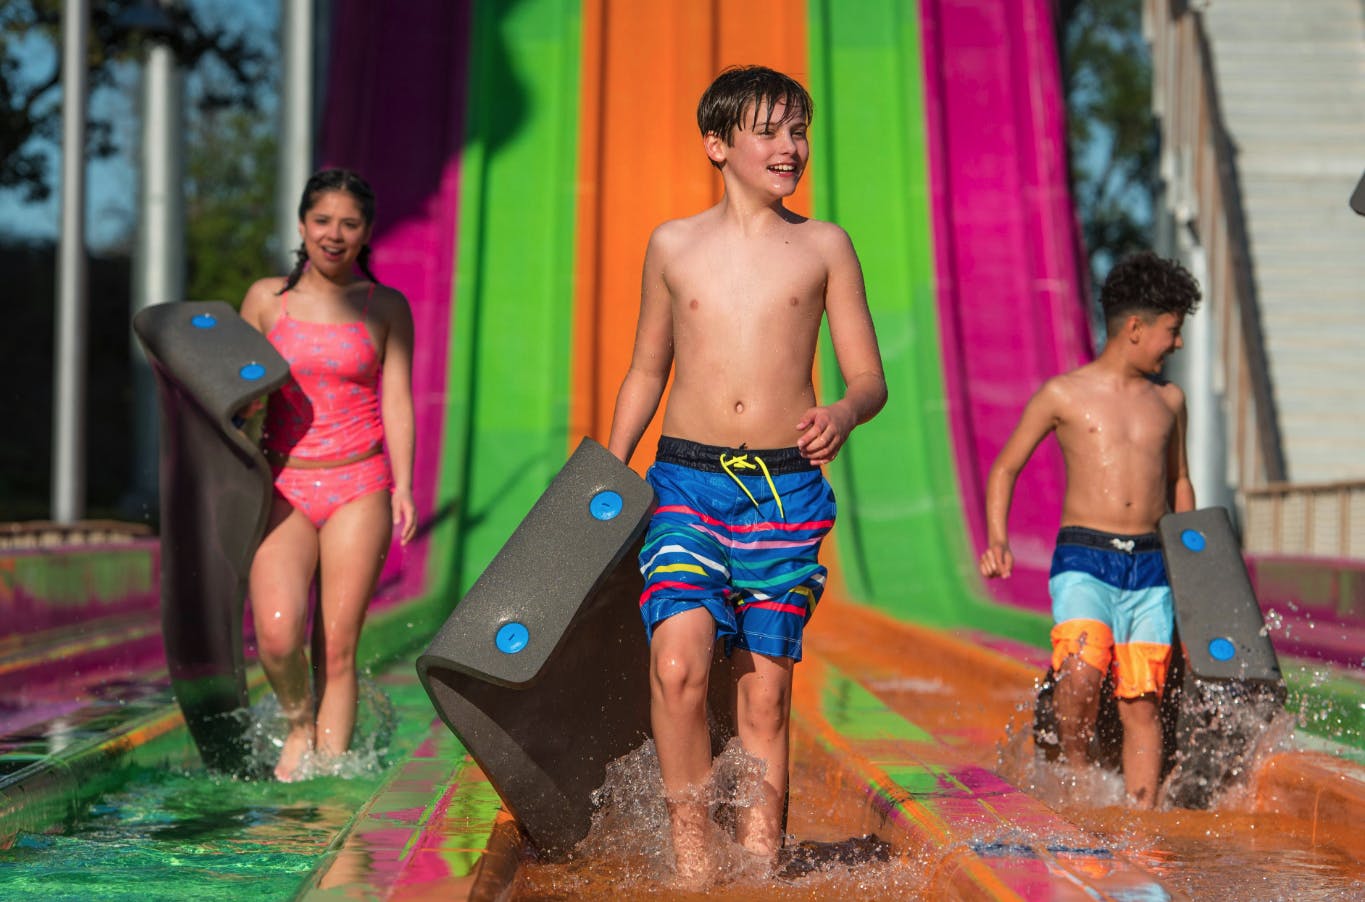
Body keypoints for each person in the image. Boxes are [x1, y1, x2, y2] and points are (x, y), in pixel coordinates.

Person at [606, 65, 887, 884]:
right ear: (716, 144)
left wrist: (843, 412)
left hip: (782, 492)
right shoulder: (673, 245)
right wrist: (608, 468)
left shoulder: (824, 245)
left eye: (798, 131)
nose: (789, 146)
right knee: (677, 666)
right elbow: (645, 369)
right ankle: (694, 862)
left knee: (763, 696)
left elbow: (868, 378)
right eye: (767, 131)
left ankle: (760, 868)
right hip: (684, 482)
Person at [978, 250, 1201, 808]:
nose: (1177, 344)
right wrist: (998, 539)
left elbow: (1179, 482)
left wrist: (1194, 566)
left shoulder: (1170, 401)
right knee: (1080, 675)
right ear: (1135, 328)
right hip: (1084, 558)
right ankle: (1079, 785)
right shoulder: (1064, 394)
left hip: (1151, 564)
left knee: (1142, 699)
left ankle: (1141, 816)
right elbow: (1005, 467)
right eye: (1172, 330)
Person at [240, 168, 417, 782]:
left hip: (358, 486)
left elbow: (397, 399)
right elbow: (235, 391)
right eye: (322, 221)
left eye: (349, 223)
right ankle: (298, 724)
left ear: (366, 232)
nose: (333, 234)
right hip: (282, 485)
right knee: (278, 634)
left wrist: (403, 485)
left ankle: (333, 774)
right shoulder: (266, 301)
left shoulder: (385, 306)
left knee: (338, 649)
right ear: (302, 225)